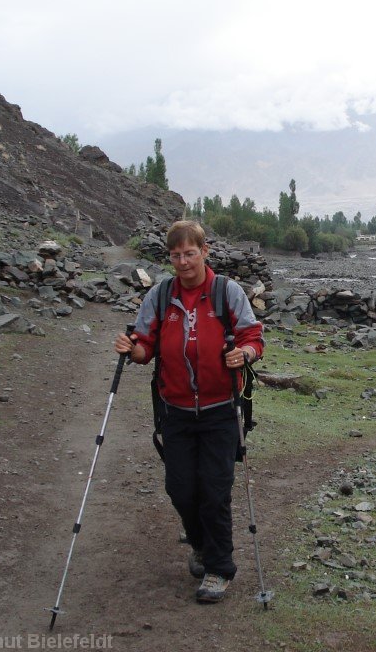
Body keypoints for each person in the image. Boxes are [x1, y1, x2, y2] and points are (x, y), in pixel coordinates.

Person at [114, 220, 264, 604]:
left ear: (205, 251)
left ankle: (219, 568)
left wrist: (243, 354)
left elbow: (252, 336)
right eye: (176, 254)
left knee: (214, 491)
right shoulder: (162, 297)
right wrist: (131, 350)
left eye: (190, 253)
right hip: (176, 410)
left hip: (219, 411)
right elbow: (145, 346)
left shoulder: (226, 292)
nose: (183, 261)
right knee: (180, 488)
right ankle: (199, 544)